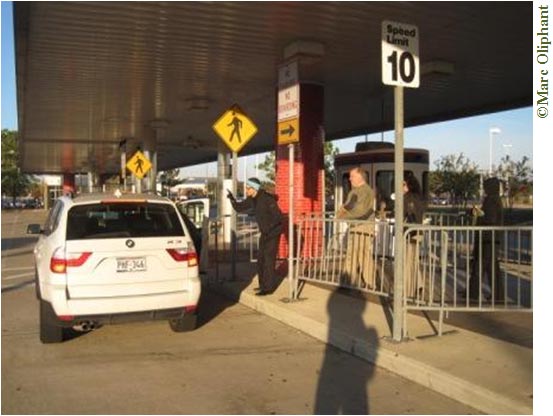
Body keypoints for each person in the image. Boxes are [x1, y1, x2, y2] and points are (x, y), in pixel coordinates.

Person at [227, 178, 283, 296]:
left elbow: (278, 217)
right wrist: (232, 199)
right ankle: (262, 285)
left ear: (254, 188)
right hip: (265, 233)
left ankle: (268, 288)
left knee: (268, 260)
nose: (246, 190)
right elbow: (239, 208)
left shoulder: (267, 199)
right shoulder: (252, 199)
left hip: (273, 233)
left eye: (248, 188)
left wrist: (269, 228)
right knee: (260, 260)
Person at [337, 167, 375, 288]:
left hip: (362, 226)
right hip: (358, 226)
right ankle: (350, 280)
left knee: (361, 254)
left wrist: (342, 216)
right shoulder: (359, 191)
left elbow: (358, 210)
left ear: (360, 176)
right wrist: (342, 213)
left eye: (352, 176)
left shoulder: (365, 191)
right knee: (355, 254)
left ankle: (365, 281)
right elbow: (348, 206)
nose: (350, 178)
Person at [469, 177, 504, 302]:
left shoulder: (492, 201)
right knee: (490, 268)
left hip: (488, 238)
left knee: (481, 266)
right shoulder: (494, 199)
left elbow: (489, 219)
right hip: (490, 238)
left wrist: (478, 214)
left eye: (486, 186)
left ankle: (474, 293)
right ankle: (497, 295)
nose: (484, 189)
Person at [403, 173, 426, 300]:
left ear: (408, 185)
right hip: (417, 233)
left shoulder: (407, 198)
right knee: (413, 260)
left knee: (408, 262)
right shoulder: (419, 197)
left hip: (409, 233)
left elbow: (403, 213)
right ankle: (419, 284)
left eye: (403, 184)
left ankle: (409, 291)